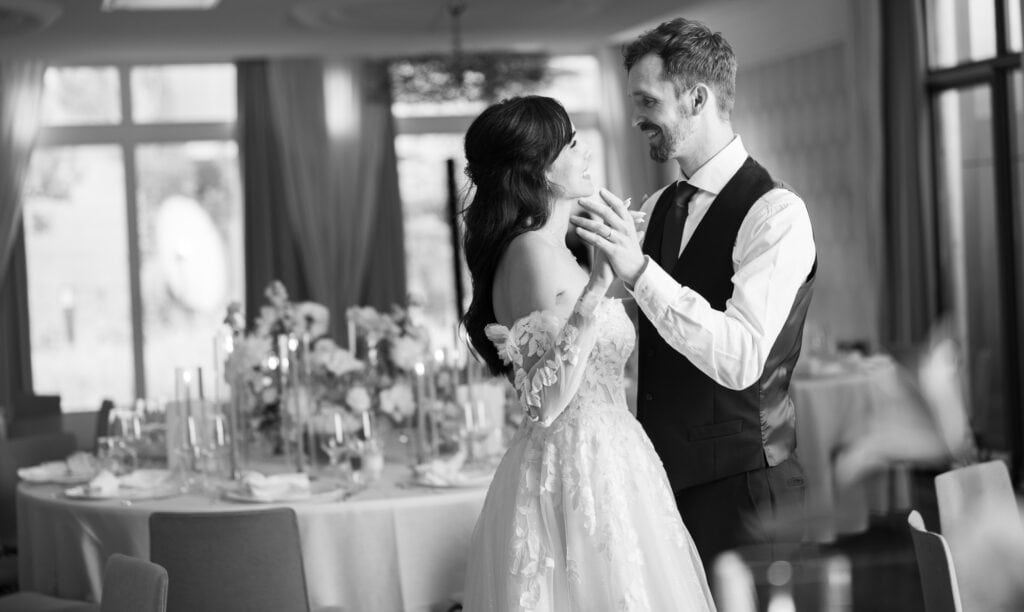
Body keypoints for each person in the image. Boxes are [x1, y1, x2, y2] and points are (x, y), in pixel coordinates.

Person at [572, 17, 817, 572]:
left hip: (748, 491)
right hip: (660, 482)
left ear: (697, 98)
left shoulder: (777, 214)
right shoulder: (659, 207)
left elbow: (741, 357)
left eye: (647, 101)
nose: (636, 118)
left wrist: (639, 272)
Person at [460, 95, 715, 611]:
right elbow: (544, 400)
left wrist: (614, 264)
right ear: (539, 169)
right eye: (572, 143)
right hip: (573, 465)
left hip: (612, 458)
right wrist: (599, 287)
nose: (584, 153)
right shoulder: (528, 251)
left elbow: (588, 343)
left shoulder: (558, 251)